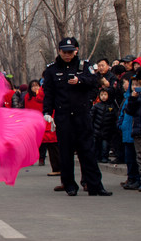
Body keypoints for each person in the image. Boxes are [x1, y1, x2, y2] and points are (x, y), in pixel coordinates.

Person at [41, 37, 111, 196]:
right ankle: (69, 185)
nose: (67, 55)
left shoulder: (84, 66)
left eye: (70, 52)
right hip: (63, 116)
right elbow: (49, 93)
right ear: (59, 51)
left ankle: (95, 185)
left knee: (88, 151)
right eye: (64, 52)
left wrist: (80, 80)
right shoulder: (52, 70)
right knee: (65, 153)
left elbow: (94, 81)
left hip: (82, 115)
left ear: (76, 51)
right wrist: (47, 112)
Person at [25, 80, 60, 175]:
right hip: (43, 121)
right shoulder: (28, 97)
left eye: (37, 86)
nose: (36, 88)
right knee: (50, 145)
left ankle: (57, 168)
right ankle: (56, 168)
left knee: (53, 146)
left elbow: (40, 99)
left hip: (48, 121)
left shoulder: (48, 90)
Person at [125, 67, 141, 190]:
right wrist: (133, 97)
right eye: (139, 84)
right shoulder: (135, 96)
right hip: (137, 132)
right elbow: (129, 111)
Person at [91, 88, 119, 163]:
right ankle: (97, 157)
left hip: (107, 129)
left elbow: (115, 116)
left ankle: (104, 157)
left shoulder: (112, 106)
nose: (103, 96)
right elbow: (91, 117)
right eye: (101, 95)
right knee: (97, 144)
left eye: (105, 94)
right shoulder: (96, 106)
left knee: (105, 145)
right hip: (97, 129)